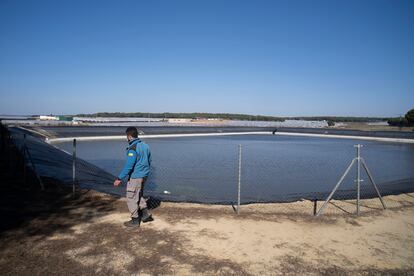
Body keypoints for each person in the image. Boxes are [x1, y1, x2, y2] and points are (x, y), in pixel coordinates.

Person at [114, 126, 153, 228]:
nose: (126, 138)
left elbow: (129, 166)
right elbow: (149, 161)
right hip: (144, 175)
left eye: (126, 136)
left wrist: (119, 178)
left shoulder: (133, 148)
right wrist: (145, 172)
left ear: (130, 136)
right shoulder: (145, 145)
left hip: (136, 177)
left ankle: (135, 221)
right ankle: (145, 215)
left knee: (131, 197)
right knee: (138, 194)